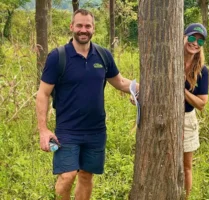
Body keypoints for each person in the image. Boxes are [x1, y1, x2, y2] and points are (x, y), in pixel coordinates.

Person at [36, 9, 138, 200]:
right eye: (80, 25)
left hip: (96, 130)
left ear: (93, 28)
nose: (83, 30)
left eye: (88, 26)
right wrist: (43, 129)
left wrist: (144, 90)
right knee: (67, 176)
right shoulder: (58, 57)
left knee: (86, 175)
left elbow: (120, 82)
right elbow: (43, 94)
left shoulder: (103, 55)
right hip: (67, 130)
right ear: (72, 27)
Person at [183, 23, 209, 199]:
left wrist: (181, 89)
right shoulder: (169, 60)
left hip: (186, 119)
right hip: (162, 117)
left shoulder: (202, 70)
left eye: (200, 41)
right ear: (183, 37)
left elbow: (201, 104)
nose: (195, 43)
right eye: (192, 38)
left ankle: (185, 196)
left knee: (186, 166)